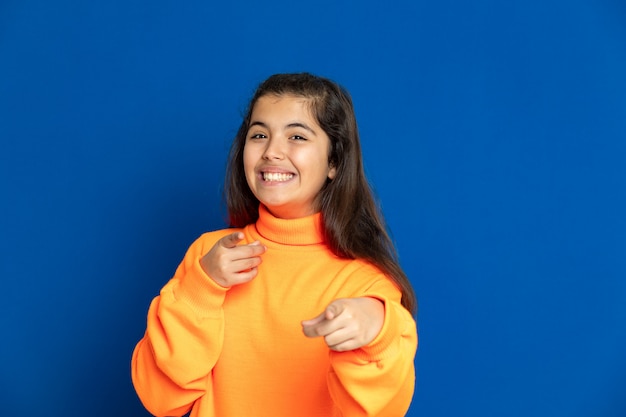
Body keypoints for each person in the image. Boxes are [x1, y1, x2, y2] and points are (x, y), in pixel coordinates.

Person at [131, 72, 418, 417]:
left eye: (297, 136)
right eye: (259, 134)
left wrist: (377, 332)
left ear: (334, 162)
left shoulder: (366, 285)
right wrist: (200, 289)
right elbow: (161, 398)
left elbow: (380, 411)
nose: (272, 152)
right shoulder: (210, 256)